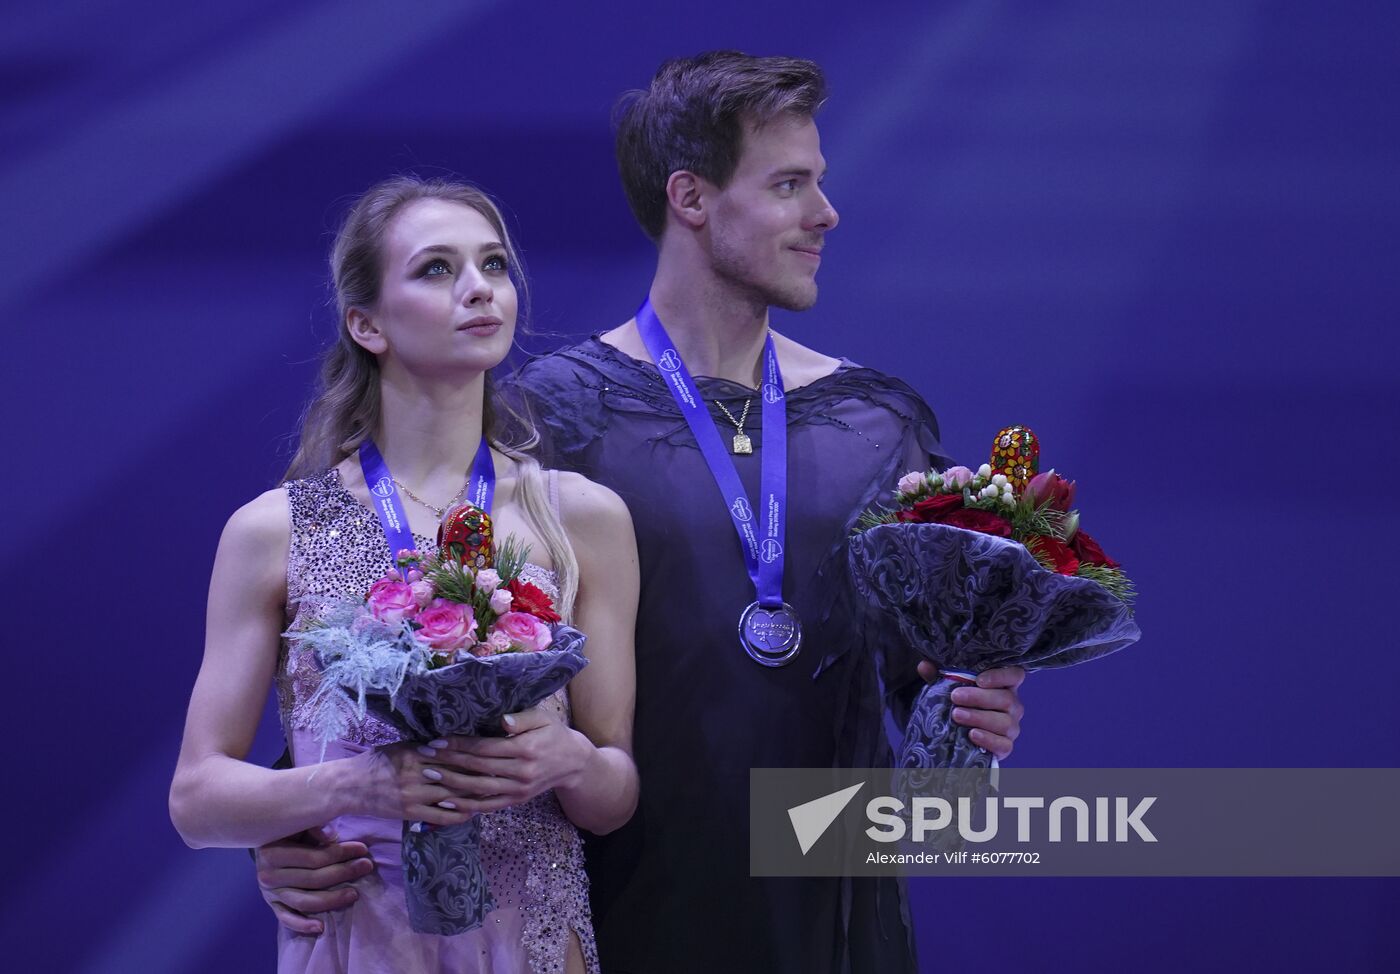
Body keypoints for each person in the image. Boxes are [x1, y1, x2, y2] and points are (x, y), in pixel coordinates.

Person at [253, 53, 1026, 972]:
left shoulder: (879, 422)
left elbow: (928, 697)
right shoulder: (543, 415)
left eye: (818, 182)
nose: (826, 213)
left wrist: (979, 704)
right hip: (617, 927)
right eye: (790, 184)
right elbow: (398, 633)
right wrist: (295, 822)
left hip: (833, 928)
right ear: (691, 199)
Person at [169, 176, 640, 974]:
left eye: (493, 264)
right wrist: (358, 788)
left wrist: (571, 761)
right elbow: (196, 800)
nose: (478, 289)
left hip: (532, 942)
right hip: (361, 942)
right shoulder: (278, 529)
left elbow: (614, 792)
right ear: (367, 323)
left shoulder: (583, 517)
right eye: (435, 269)